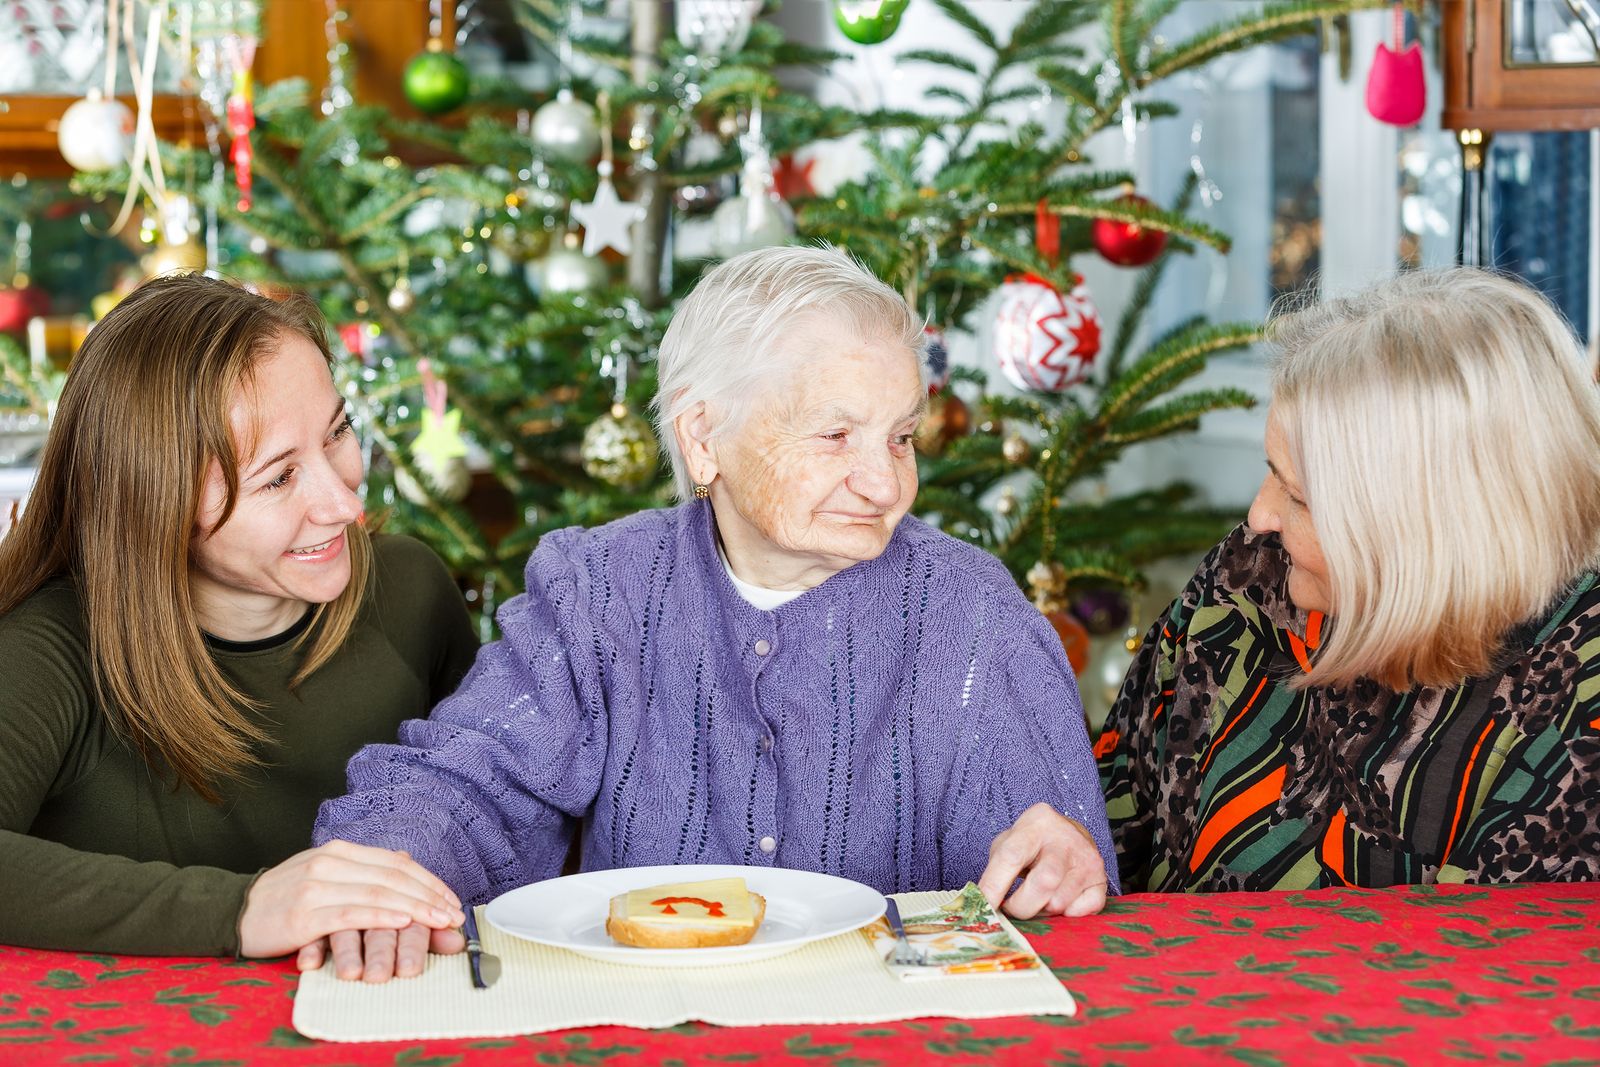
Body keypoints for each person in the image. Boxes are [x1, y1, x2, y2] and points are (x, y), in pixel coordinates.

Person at [314, 244, 1117, 980]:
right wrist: (385, 869)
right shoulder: (601, 589)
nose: (885, 484)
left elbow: (1056, 883)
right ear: (704, 437)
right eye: (836, 434)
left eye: (901, 436)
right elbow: (471, 779)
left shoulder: (974, 615)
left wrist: (1063, 862)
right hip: (642, 1030)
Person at [0, 274, 477, 971]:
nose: (344, 504)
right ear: (154, 503)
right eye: (279, 478)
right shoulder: (50, 650)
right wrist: (243, 908)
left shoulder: (411, 591)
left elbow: (500, 798)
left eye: (338, 431)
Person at [1097, 268, 1600, 893]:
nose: (1259, 515)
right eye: (1270, 470)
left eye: (1299, 497)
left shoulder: (1580, 700)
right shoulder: (1251, 580)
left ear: (1426, 533)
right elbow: (1109, 809)